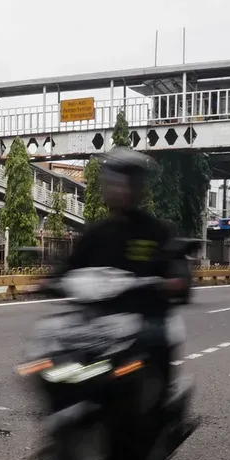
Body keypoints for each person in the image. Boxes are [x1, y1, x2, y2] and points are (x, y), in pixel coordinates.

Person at [62, 147, 189, 403]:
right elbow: (69, 267)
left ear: (138, 187)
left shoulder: (158, 231)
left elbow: (178, 270)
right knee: (57, 349)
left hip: (146, 318)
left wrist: (174, 282)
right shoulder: (96, 234)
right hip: (99, 320)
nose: (117, 189)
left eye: (124, 182)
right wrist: (50, 280)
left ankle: (159, 404)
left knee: (156, 341)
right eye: (112, 181)